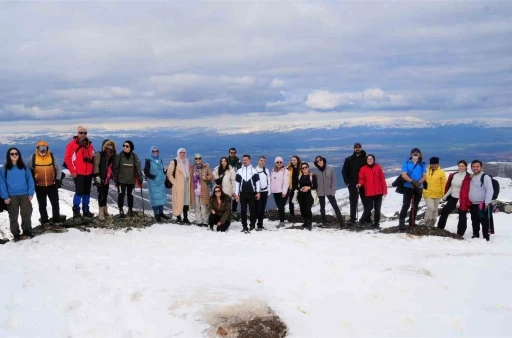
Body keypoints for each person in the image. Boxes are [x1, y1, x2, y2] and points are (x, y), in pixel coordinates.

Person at [0, 148, 35, 241]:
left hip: (24, 194)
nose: (14, 155)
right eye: (12, 154)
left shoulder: (24, 167)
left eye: (16, 153)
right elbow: (1, 183)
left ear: (19, 155)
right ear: (9, 155)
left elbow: (30, 180)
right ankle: (16, 234)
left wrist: (31, 192)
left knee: (26, 214)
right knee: (13, 215)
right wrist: (5, 196)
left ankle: (27, 231)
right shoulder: (4, 169)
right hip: (11, 196)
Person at [26, 140, 63, 225]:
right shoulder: (33, 157)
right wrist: (32, 181)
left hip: (52, 185)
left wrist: (58, 179)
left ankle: (56, 221)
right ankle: (45, 221)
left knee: (55, 203)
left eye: (44, 147)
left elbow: (58, 168)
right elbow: (27, 171)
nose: (43, 150)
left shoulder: (52, 156)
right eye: (41, 147)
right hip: (39, 186)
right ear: (37, 148)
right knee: (42, 205)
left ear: (47, 148)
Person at [64, 126, 95, 218]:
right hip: (79, 173)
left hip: (89, 173)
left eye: (85, 133)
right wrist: (73, 171)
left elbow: (93, 157)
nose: (83, 135)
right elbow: (67, 159)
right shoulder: (72, 145)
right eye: (81, 133)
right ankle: (76, 210)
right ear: (77, 133)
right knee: (79, 192)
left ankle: (86, 210)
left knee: (87, 192)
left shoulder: (89, 145)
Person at [437, 160, 471, 235]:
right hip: (453, 198)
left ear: (466, 167)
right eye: (459, 166)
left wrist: (459, 202)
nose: (461, 167)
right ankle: (439, 228)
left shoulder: (467, 177)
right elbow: (452, 187)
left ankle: (460, 233)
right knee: (445, 211)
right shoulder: (455, 175)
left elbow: (465, 191)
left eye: (463, 166)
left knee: (462, 216)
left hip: (462, 200)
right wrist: (445, 196)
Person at [398, 148, 427, 231]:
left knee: (415, 205)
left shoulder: (422, 164)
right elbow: (404, 175)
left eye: (417, 152)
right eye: (413, 152)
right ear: (411, 154)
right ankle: (402, 224)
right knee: (406, 205)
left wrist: (418, 183)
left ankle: (412, 222)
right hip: (408, 188)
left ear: (419, 154)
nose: (415, 153)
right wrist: (412, 182)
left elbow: (424, 176)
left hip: (418, 188)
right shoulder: (406, 163)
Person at [356, 154, 387, 228]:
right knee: (369, 207)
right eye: (368, 159)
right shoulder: (363, 168)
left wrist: (385, 190)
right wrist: (360, 184)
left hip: (379, 192)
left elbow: (382, 179)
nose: (369, 160)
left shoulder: (378, 167)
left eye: (371, 159)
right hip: (369, 191)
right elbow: (362, 179)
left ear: (374, 160)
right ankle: (361, 221)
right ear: (366, 160)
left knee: (377, 208)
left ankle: (376, 224)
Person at [114, 140, 143, 218]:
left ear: (131, 147)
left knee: (130, 195)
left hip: (131, 180)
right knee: (121, 195)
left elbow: (138, 167)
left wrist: (140, 177)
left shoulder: (134, 156)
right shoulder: (119, 156)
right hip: (121, 180)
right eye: (124, 145)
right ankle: (121, 210)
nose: (125, 147)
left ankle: (130, 210)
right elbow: (115, 168)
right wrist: (115, 178)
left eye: (127, 146)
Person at [342, 142, 368, 225]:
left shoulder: (365, 159)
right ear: (353, 148)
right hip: (352, 184)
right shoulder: (349, 159)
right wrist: (347, 183)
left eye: (359, 147)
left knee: (365, 201)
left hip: (363, 184)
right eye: (356, 147)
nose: (357, 148)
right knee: (353, 202)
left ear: (361, 148)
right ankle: (352, 218)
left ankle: (367, 218)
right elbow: (344, 171)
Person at [314, 155, 344, 227]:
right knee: (322, 208)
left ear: (323, 160)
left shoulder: (330, 168)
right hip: (320, 192)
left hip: (329, 191)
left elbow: (334, 179)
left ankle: (341, 223)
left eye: (320, 160)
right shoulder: (316, 172)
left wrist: (333, 190)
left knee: (335, 206)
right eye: (317, 161)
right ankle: (324, 223)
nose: (319, 162)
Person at [234, 154, 261, 233]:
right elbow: (237, 183)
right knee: (243, 210)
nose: (244, 161)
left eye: (246, 160)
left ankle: (252, 225)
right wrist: (236, 193)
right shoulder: (239, 171)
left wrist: (258, 192)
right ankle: (244, 226)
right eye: (243, 160)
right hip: (242, 193)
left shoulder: (254, 170)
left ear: (249, 160)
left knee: (252, 210)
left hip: (252, 193)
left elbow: (257, 183)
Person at [468, 160, 494, 241]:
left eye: (477, 166)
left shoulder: (485, 177)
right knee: (474, 220)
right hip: (473, 204)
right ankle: (475, 234)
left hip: (482, 203)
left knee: (484, 220)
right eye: (473, 166)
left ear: (481, 167)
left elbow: (490, 190)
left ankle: (486, 236)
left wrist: (487, 202)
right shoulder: (472, 176)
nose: (475, 168)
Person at [143, 146, 170, 222]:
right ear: (151, 152)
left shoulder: (160, 159)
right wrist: (153, 177)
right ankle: (156, 214)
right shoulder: (148, 160)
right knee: (154, 198)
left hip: (161, 181)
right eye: (153, 151)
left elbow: (161, 169)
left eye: (156, 151)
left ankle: (161, 213)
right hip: (153, 183)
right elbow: (146, 171)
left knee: (161, 197)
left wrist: (164, 174)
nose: (155, 152)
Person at [93, 139, 116, 221]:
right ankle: (101, 212)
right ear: (104, 146)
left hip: (107, 178)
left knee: (105, 194)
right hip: (100, 178)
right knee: (101, 195)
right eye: (108, 145)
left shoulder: (112, 156)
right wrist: (97, 176)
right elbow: (96, 166)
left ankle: (105, 210)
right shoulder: (99, 154)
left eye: (111, 145)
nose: (110, 146)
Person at [168, 148, 191, 224]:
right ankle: (178, 217)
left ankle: (185, 218)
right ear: (178, 153)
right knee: (178, 201)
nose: (182, 154)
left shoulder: (186, 161)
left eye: (184, 152)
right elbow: (169, 174)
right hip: (178, 185)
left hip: (186, 184)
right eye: (181, 152)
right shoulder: (174, 162)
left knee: (185, 201)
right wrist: (174, 183)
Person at [190, 153, 213, 226]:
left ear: (201, 159)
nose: (198, 160)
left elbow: (211, 176)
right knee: (196, 206)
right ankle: (199, 221)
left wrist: (206, 178)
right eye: (196, 158)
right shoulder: (192, 168)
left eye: (199, 158)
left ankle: (205, 221)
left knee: (204, 206)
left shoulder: (205, 167)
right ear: (194, 159)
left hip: (203, 189)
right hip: (195, 190)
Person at [423, 157, 447, 226]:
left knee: (435, 209)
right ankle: (427, 223)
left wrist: (443, 194)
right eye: (432, 164)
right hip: (427, 193)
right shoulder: (425, 170)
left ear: (438, 164)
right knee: (430, 207)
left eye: (435, 164)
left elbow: (443, 184)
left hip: (437, 194)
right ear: (430, 164)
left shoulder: (441, 172)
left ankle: (432, 223)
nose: (434, 165)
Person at [297, 162, 317, 231]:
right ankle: (305, 222)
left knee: (307, 209)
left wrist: (308, 187)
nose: (304, 169)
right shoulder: (300, 176)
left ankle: (309, 223)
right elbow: (297, 186)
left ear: (308, 168)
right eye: (303, 168)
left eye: (306, 167)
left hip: (309, 195)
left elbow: (315, 186)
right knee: (302, 209)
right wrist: (300, 188)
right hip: (301, 195)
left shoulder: (312, 176)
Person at [270, 156, 289, 228]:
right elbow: (271, 181)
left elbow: (286, 182)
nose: (279, 163)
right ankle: (282, 219)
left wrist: (284, 192)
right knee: (279, 206)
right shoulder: (273, 171)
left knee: (281, 206)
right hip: (275, 192)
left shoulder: (285, 171)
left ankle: (282, 222)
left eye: (280, 162)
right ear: (275, 163)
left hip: (282, 192)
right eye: (277, 162)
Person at [255, 156, 270, 230]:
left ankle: (260, 224)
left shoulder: (266, 170)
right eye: (261, 160)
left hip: (265, 191)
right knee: (258, 208)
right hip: (258, 192)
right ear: (258, 161)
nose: (262, 162)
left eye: (264, 161)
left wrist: (268, 192)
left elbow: (268, 181)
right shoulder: (254, 170)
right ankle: (253, 222)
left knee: (263, 209)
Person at [227, 148, 242, 215]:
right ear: (229, 153)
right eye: (231, 152)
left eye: (234, 152)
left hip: (236, 181)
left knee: (236, 195)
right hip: (228, 181)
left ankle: (234, 210)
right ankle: (227, 211)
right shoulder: (226, 160)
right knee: (228, 196)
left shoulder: (238, 161)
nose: (232, 154)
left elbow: (240, 170)